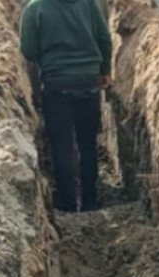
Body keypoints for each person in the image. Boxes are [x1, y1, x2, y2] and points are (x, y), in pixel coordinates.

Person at [19, 0, 112, 213]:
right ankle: (90, 201)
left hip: (56, 84)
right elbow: (104, 39)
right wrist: (104, 70)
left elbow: (29, 50)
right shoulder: (88, 3)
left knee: (61, 146)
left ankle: (67, 203)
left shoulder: (35, 8)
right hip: (89, 82)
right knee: (87, 144)